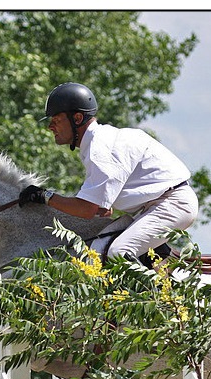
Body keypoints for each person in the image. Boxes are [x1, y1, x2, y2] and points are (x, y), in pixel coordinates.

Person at [19, 82, 198, 262]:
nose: (51, 126)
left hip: (172, 204)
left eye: (56, 120)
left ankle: (158, 291)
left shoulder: (100, 148)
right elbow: (101, 209)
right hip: (158, 205)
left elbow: (86, 209)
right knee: (97, 246)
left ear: (78, 118)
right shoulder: (98, 142)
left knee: (118, 253)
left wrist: (45, 196)